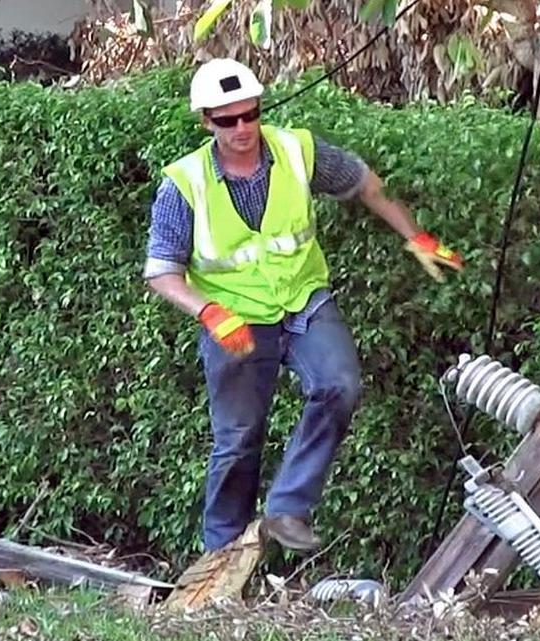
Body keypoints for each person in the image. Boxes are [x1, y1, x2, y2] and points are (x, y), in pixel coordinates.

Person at [143, 58, 464, 554]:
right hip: (235, 320)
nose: (243, 127)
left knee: (340, 384)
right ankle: (221, 553)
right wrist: (208, 311)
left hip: (303, 301)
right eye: (227, 120)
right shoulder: (184, 183)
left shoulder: (296, 150)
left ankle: (289, 509)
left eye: (249, 114)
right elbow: (161, 271)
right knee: (238, 440)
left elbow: (367, 183)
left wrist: (415, 234)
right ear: (206, 120)